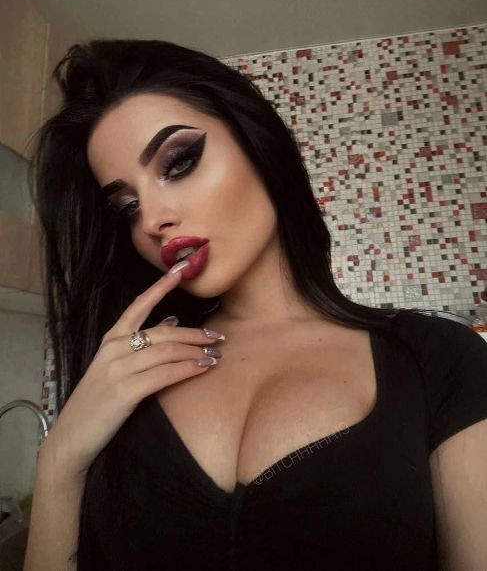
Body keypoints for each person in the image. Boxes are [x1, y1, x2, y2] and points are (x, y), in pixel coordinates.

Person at [24, 39, 487, 570]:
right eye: (127, 205)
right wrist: (60, 459)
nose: (151, 220)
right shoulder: (127, 375)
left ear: (258, 145)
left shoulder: (439, 358)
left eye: (179, 162)